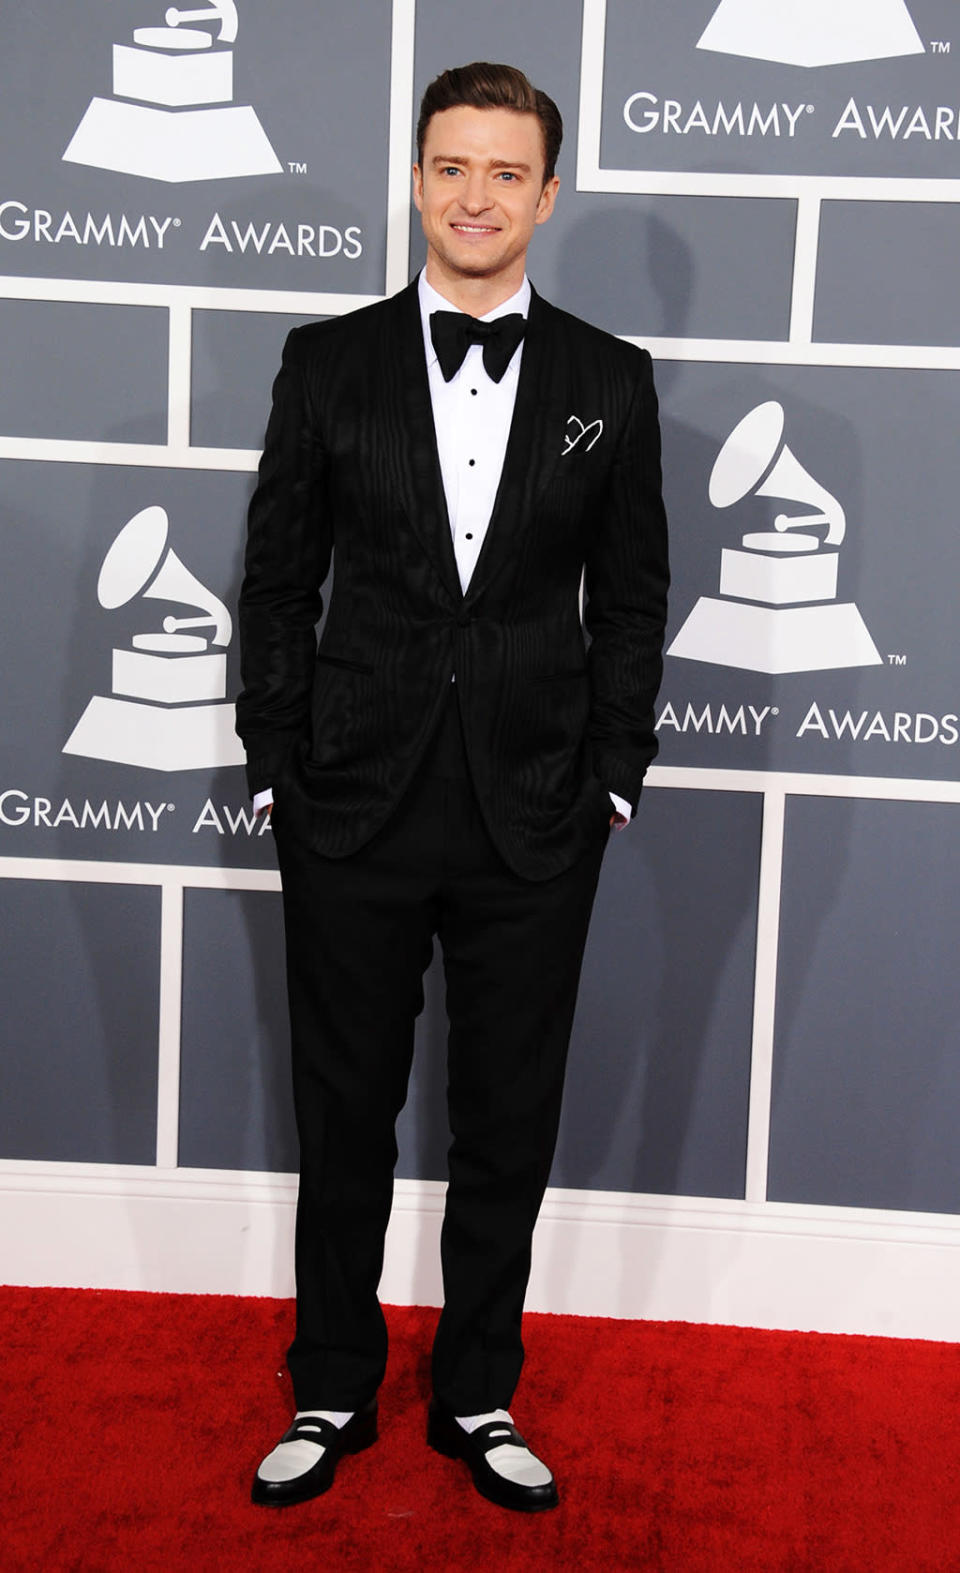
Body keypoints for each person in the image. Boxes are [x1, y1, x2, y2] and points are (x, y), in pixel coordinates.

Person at [236, 60, 669, 1514]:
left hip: (536, 810)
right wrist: (277, 764)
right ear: (416, 180)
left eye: (506, 171)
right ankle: (331, 1385)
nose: (475, 195)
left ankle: (479, 1387)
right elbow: (279, 576)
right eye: (450, 166)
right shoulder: (326, 362)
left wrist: (612, 776)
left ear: (549, 194)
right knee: (343, 1108)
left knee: (508, 1114)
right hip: (351, 798)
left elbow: (633, 595)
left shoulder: (612, 381)